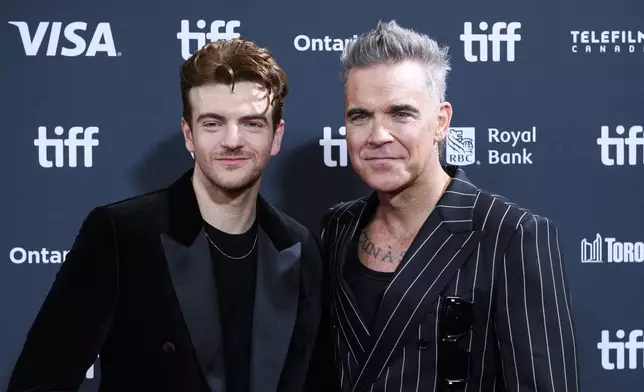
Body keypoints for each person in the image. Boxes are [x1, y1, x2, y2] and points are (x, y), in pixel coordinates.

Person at [8, 38, 324, 392]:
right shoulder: (121, 236)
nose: (232, 140)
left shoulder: (299, 247)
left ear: (276, 136)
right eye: (213, 123)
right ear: (189, 134)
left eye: (251, 123)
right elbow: (40, 381)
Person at [318, 21, 579, 392]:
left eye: (400, 113)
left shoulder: (511, 235)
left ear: (441, 122)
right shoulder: (338, 227)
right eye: (360, 116)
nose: (378, 136)